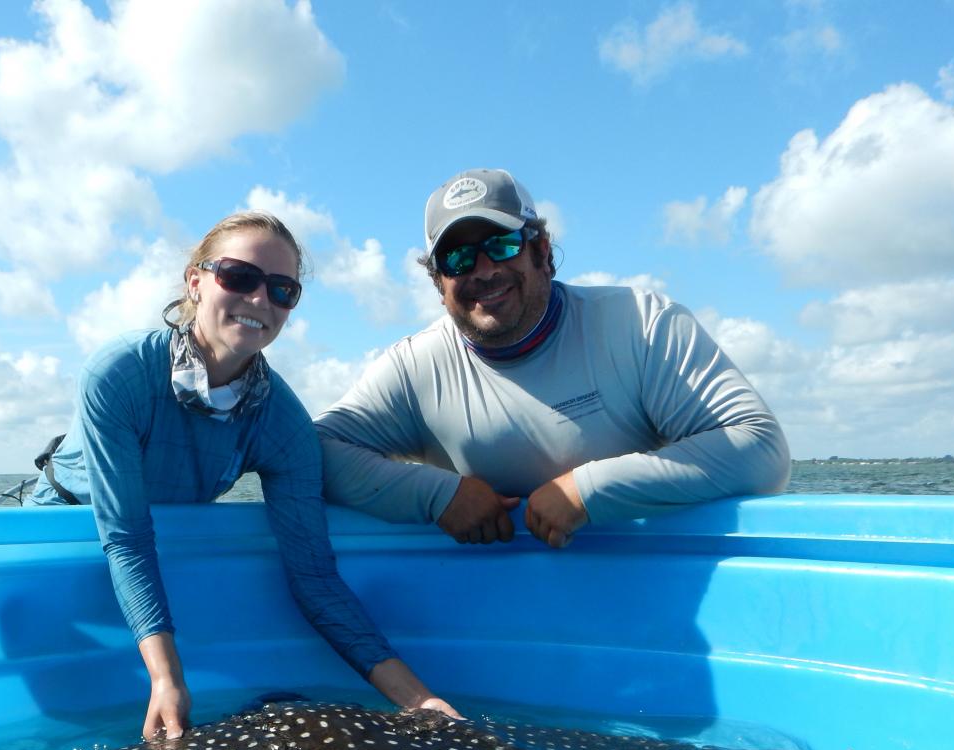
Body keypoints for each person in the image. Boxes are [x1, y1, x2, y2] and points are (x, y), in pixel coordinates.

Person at [28, 211, 455, 739]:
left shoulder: (284, 426)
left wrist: (420, 702)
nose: (259, 299)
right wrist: (166, 678)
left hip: (157, 553)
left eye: (282, 290)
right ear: (195, 281)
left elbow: (314, 577)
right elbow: (127, 537)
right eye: (239, 276)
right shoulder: (119, 373)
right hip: (61, 530)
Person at [314, 168, 791, 549]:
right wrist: (437, 495)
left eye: (502, 245)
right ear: (439, 284)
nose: (484, 270)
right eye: (458, 259)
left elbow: (760, 449)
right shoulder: (414, 368)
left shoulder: (640, 323)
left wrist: (587, 490)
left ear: (542, 252)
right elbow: (311, 452)